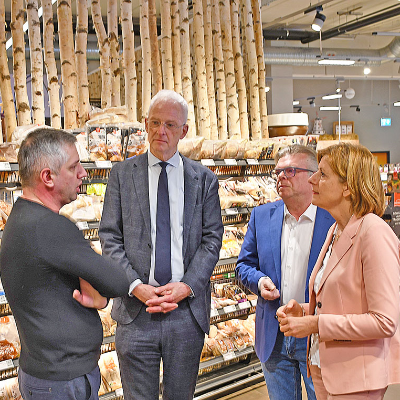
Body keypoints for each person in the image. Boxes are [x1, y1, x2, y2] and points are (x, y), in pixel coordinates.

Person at [99, 90, 223, 400]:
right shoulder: (121, 175)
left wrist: (187, 286)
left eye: (169, 124)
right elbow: (110, 237)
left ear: (184, 130)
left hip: (185, 312)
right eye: (154, 123)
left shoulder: (203, 179)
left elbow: (212, 239)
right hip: (136, 311)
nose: (161, 132)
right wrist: (135, 285)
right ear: (144, 124)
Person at [0, 128, 130, 400]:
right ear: (47, 177)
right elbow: (118, 281)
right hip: (61, 383)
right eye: (74, 167)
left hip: (44, 374)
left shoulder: (21, 218)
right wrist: (103, 297)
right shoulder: (51, 228)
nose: (83, 173)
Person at [277, 143, 400, 400]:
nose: (312, 179)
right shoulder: (337, 230)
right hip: (325, 370)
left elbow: (384, 321)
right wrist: (305, 310)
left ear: (348, 186)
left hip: (356, 378)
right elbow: (344, 300)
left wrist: (315, 324)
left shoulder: (373, 232)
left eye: (322, 174)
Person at [236, 144, 334, 400]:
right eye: (278, 171)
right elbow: (243, 265)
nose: (281, 177)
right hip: (274, 335)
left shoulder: (332, 218)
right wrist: (260, 281)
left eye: (290, 171)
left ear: (313, 176)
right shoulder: (261, 216)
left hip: (317, 335)